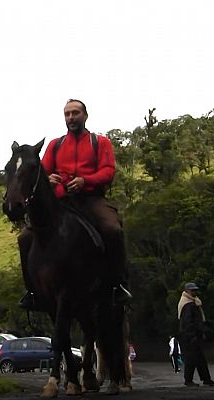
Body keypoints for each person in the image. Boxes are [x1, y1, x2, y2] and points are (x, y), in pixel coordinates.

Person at [18, 99, 132, 310]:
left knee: (112, 229)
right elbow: (42, 172)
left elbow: (108, 171)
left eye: (75, 113)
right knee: (25, 237)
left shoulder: (100, 142)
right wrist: (49, 180)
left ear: (85, 116)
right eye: (67, 114)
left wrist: (85, 181)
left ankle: (118, 284)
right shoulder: (55, 144)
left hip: (91, 199)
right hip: (61, 203)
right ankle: (32, 292)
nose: (71, 117)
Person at [177, 282, 214, 387]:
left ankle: (206, 379)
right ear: (187, 291)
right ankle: (188, 380)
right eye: (192, 290)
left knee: (200, 358)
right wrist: (192, 336)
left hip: (194, 334)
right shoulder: (188, 304)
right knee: (191, 358)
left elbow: (197, 321)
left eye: (195, 290)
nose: (194, 292)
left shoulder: (192, 302)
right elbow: (188, 322)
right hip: (190, 335)